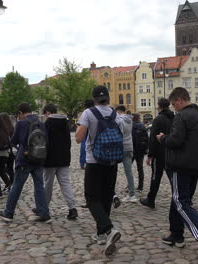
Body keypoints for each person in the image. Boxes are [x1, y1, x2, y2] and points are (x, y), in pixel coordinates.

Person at [157, 87, 198, 261]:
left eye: (173, 104)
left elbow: (175, 140)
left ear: (179, 101)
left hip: (181, 165)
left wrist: (163, 138)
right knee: (180, 200)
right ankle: (176, 234)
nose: (173, 108)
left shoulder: (182, 116)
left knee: (181, 202)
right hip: (195, 165)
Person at [75, 85, 122, 256]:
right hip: (112, 161)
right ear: (108, 98)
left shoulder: (88, 113)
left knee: (92, 197)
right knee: (106, 197)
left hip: (94, 161)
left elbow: (79, 138)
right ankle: (101, 234)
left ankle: (109, 230)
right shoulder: (116, 114)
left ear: (94, 99)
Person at [0, 103, 52, 223]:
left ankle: (8, 213)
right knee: (39, 186)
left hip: (24, 159)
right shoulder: (41, 123)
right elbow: (46, 141)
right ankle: (44, 213)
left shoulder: (21, 123)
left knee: (16, 186)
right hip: (38, 159)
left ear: (20, 113)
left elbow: (14, 140)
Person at [41, 104, 78, 220]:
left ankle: (44, 208)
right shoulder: (65, 123)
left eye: (44, 114)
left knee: (47, 184)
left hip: (50, 159)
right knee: (65, 183)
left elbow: (44, 143)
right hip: (64, 158)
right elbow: (68, 142)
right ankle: (72, 208)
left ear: (47, 112)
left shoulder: (47, 124)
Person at [140, 98, 174, 209]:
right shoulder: (174, 117)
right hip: (172, 151)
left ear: (159, 106)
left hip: (159, 153)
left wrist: (150, 155)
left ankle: (151, 199)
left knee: (156, 177)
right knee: (172, 176)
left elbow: (153, 139)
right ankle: (179, 197)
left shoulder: (158, 119)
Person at [115, 105, 138, 202]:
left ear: (118, 111)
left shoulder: (119, 119)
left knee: (113, 170)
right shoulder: (129, 119)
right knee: (129, 172)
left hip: (121, 147)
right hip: (129, 147)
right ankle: (132, 194)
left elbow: (119, 133)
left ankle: (112, 193)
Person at [132, 113, 148, 192]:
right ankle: (140, 186)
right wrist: (146, 150)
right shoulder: (142, 127)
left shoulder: (130, 126)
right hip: (140, 150)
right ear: (138, 118)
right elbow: (147, 139)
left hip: (132, 150)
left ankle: (130, 185)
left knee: (128, 169)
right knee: (140, 168)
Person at [0, 113, 15, 185]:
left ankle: (8, 183)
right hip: (12, 151)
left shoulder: (3, 129)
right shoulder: (12, 128)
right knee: (10, 168)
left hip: (5, 150)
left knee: (2, 168)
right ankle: (12, 182)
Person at [80, 100, 94, 170]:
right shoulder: (95, 112)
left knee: (83, 146)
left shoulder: (85, 113)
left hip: (85, 131)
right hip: (93, 131)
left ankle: (82, 163)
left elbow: (80, 125)